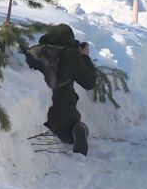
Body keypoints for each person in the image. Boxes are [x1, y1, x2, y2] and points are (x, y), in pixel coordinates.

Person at [26, 24, 97, 155]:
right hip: (64, 111)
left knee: (41, 129)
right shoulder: (71, 54)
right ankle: (77, 129)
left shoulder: (33, 52)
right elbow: (89, 82)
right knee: (71, 130)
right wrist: (85, 57)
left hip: (39, 110)